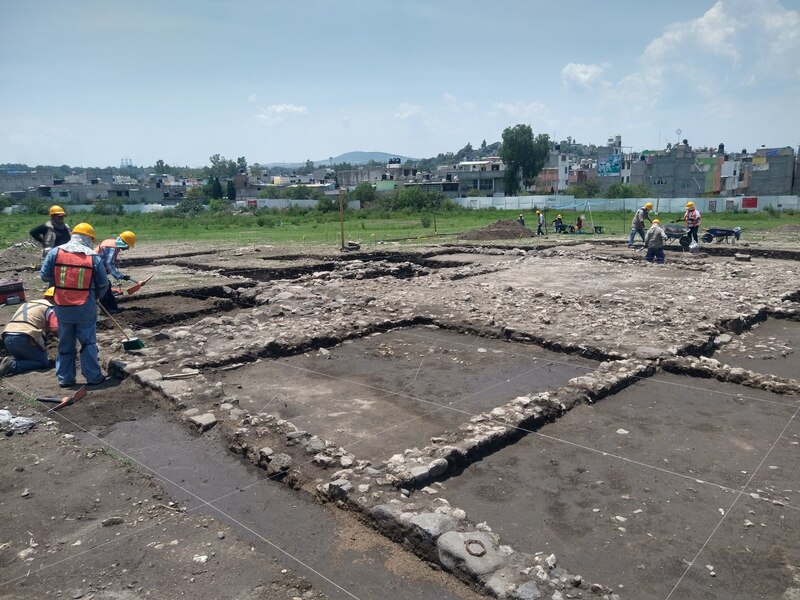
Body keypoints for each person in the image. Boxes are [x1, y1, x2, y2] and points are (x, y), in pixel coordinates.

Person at [40, 222, 109, 388]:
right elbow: (103, 284)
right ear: (88, 238)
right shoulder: (93, 257)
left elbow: (44, 276)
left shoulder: (55, 253)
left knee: (65, 342)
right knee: (87, 343)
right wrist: (96, 297)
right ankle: (93, 376)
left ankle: (65, 378)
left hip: (62, 306)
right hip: (85, 307)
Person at [0, 288, 59, 378]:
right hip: (23, 337)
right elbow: (55, 328)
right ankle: (12, 365)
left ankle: (8, 363)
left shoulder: (29, 303)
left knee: (28, 359)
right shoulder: (50, 308)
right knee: (43, 362)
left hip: (7, 336)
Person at [95, 231, 137, 314]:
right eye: (128, 246)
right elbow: (109, 263)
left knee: (107, 286)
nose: (127, 249)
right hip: (95, 269)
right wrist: (120, 276)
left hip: (97, 269)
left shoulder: (112, 244)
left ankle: (112, 308)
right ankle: (107, 310)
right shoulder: (112, 248)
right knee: (105, 287)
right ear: (124, 243)